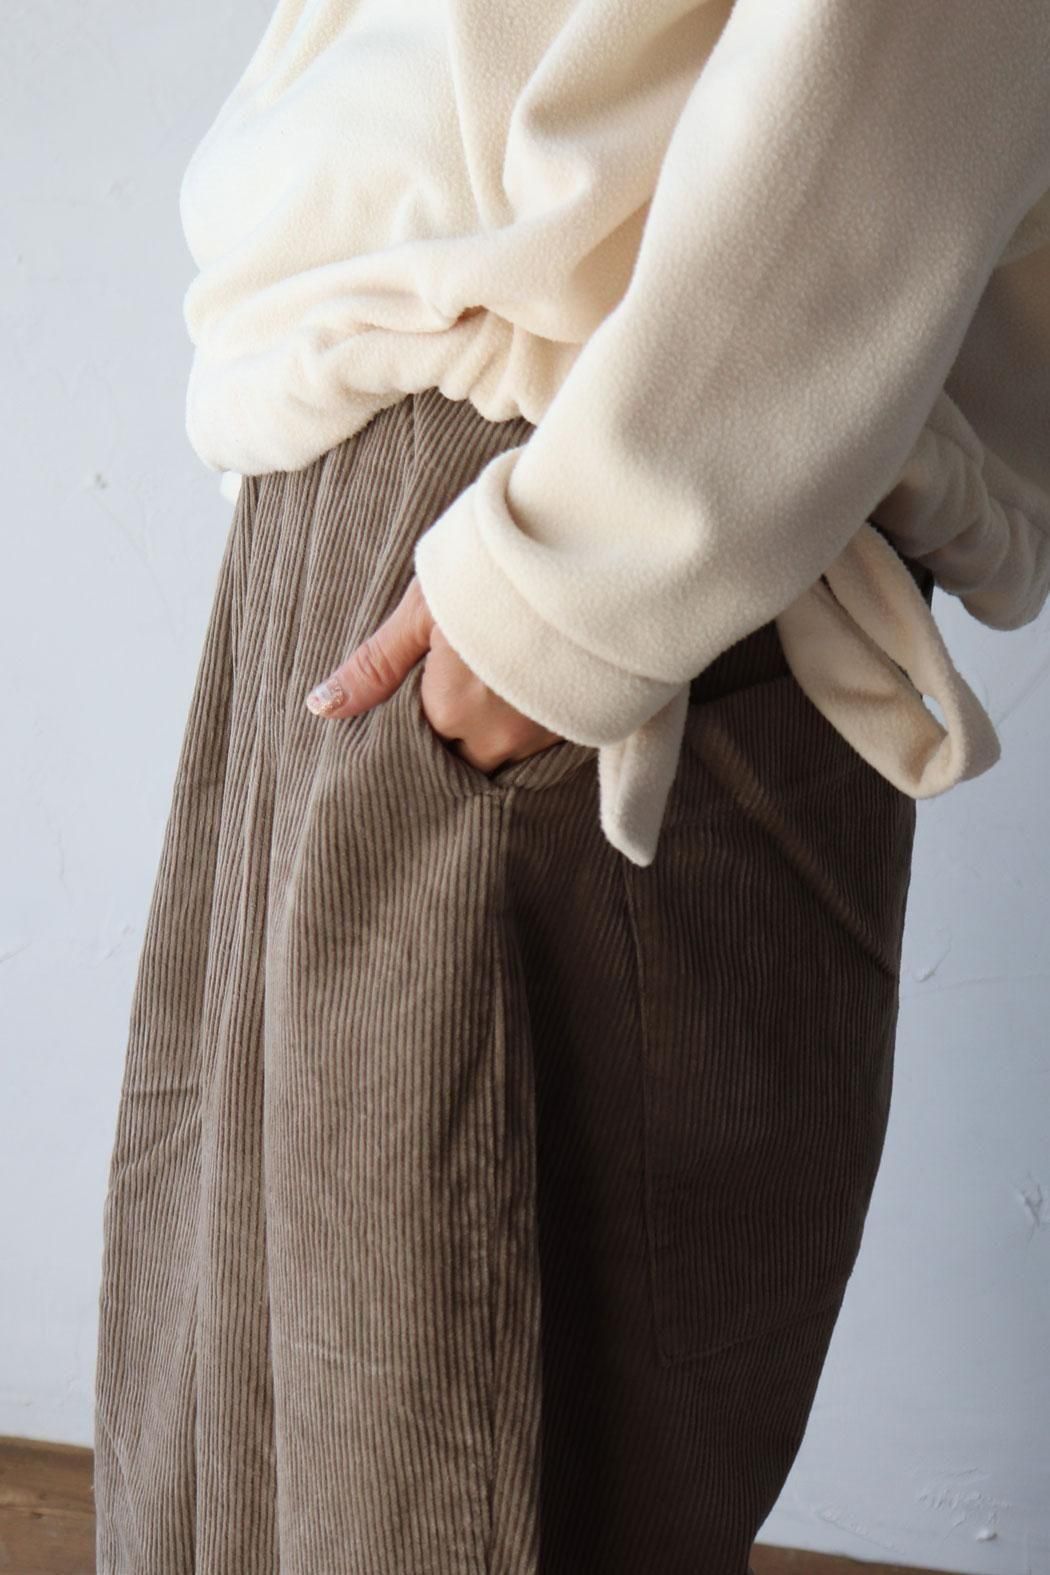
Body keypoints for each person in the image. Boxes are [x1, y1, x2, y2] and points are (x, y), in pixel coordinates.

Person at [92, 3, 1050, 1571]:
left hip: (584, 481)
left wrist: (579, 574)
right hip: (405, 475)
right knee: (244, 1435)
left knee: (452, 1478)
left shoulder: (572, 561)